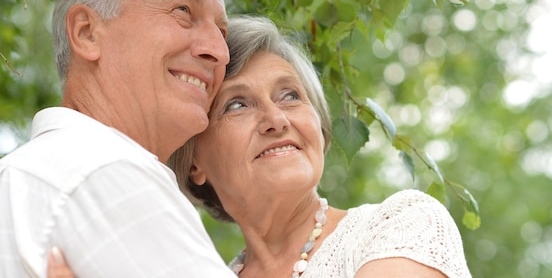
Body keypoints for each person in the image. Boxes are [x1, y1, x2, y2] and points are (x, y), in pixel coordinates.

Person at [46, 16, 473, 278]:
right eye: (237, 104)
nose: (276, 119)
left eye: (290, 95)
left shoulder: (400, 224)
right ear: (194, 163)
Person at [0, 0, 236, 277]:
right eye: (183, 12)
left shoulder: (31, 177)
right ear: (87, 33)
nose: (219, 51)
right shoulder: (105, 171)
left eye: (221, 31)